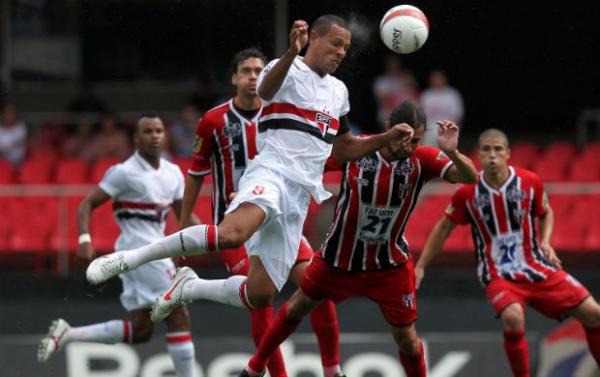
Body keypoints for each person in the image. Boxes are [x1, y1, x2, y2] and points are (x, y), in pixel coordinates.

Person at [86, 14, 412, 364]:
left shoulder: (338, 92)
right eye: (335, 43)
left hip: (299, 197)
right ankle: (129, 258)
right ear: (313, 39)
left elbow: (344, 147)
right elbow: (267, 90)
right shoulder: (283, 68)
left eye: (346, 47)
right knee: (232, 233)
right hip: (271, 172)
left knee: (258, 294)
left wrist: (384, 138)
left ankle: (189, 287)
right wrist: (290, 52)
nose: (341, 52)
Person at [238, 100, 477, 377]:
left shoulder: (422, 158)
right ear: (389, 128)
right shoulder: (356, 149)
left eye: (416, 140)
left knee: (408, 341)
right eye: (405, 138)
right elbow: (298, 168)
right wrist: (253, 193)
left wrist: (453, 152)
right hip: (338, 257)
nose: (409, 146)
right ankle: (255, 368)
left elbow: (470, 178)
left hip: (388, 266)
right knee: (296, 306)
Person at [178, 47, 344, 377]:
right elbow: (195, 174)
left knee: (317, 290)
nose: (254, 76)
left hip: (279, 214)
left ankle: (332, 370)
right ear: (234, 78)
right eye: (247, 71)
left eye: (258, 70)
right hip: (237, 223)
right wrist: (184, 225)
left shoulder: (286, 111)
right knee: (261, 300)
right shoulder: (213, 121)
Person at [414, 128, 600, 376]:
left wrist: (546, 242)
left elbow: (546, 213)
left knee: (593, 313)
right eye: (487, 149)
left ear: (508, 154)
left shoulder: (529, 182)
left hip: (536, 266)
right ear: (478, 155)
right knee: (512, 317)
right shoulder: (468, 192)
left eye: (498, 149)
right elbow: (444, 226)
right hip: (497, 272)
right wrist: (421, 265)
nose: (493, 155)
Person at [38, 113, 199, 377]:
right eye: (148, 131)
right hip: (144, 253)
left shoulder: (173, 173)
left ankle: (67, 334)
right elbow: (86, 204)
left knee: (142, 331)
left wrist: (211, 234)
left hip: (144, 254)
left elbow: (185, 214)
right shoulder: (124, 172)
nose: (155, 136)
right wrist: (84, 239)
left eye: (159, 130)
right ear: (136, 139)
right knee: (178, 314)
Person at [419, 69, 464, 147]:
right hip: (429, 130)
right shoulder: (426, 95)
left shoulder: (452, 94)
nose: (437, 80)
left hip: (447, 129)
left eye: (439, 78)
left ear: (444, 79)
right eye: (435, 78)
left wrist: (451, 130)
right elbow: (421, 117)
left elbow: (457, 117)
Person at [0, 101, 27, 165]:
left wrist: (3, 148)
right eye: (8, 112)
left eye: (12, 112)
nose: (10, 114)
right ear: (3, 114)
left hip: (17, 162)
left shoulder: (20, 127)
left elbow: (10, 146)